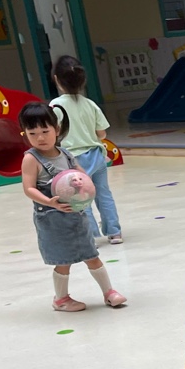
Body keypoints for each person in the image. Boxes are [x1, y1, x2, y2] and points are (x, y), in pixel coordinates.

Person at [19, 102, 127, 312]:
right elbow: (28, 188)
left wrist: (85, 186)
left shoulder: (66, 154)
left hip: (76, 216)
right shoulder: (31, 159)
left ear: (57, 129)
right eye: (32, 134)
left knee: (91, 255)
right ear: (25, 134)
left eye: (45, 131)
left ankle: (109, 292)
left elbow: (82, 175)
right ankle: (60, 299)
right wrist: (49, 201)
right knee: (63, 261)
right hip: (52, 219)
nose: (40, 138)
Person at [50, 55, 123, 245]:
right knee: (104, 194)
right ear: (83, 81)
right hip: (97, 156)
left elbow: (52, 135)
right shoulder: (90, 104)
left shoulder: (55, 106)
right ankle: (115, 232)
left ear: (56, 79)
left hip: (73, 160)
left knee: (79, 197)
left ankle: (91, 236)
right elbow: (102, 134)